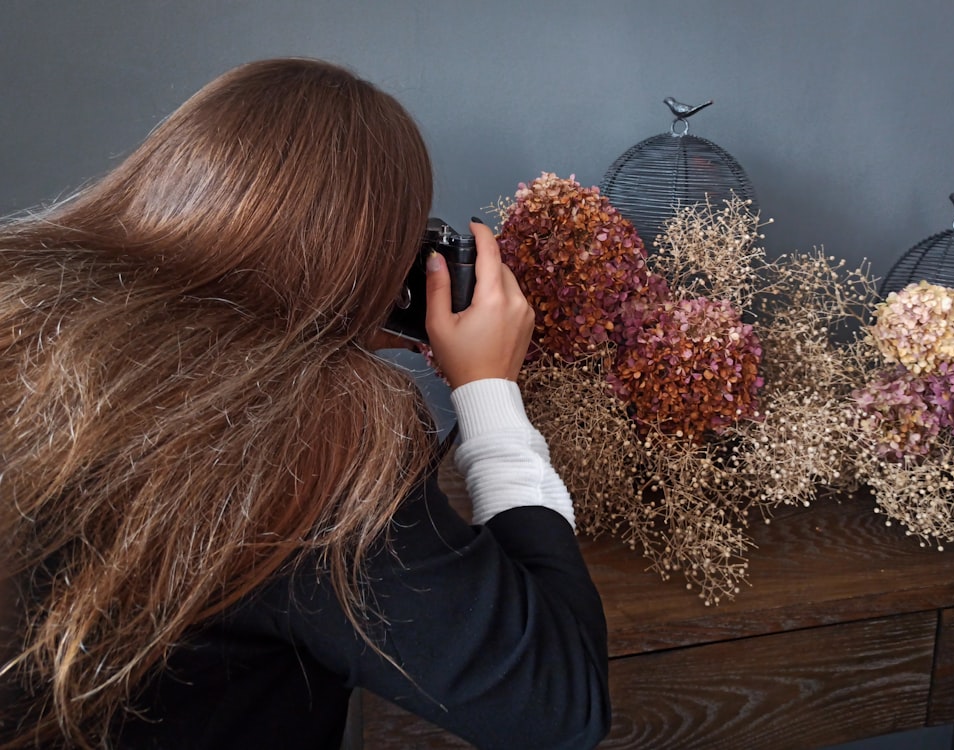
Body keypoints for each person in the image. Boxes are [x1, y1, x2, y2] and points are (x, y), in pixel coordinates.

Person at [0, 58, 610, 749]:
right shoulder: (304, 438)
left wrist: (337, 323)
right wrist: (489, 391)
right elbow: (561, 710)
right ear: (371, 261)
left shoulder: (26, 318)